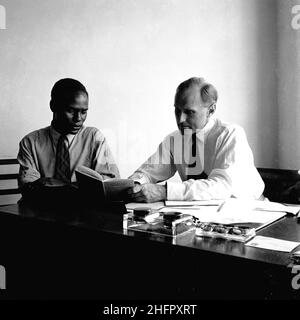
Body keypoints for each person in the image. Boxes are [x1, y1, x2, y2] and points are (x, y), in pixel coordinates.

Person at [128, 77, 264, 202]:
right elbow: (147, 172)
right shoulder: (174, 140)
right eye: (177, 111)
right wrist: (135, 184)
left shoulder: (231, 134)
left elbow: (222, 186)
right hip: (201, 216)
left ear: (211, 110)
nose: (181, 120)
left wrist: (165, 191)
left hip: (249, 212)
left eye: (189, 112)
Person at [18, 78, 120, 198]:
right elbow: (29, 188)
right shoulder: (30, 142)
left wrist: (52, 185)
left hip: (83, 211)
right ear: (53, 106)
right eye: (71, 110)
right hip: (40, 210)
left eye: (84, 112)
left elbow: (110, 184)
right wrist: (80, 188)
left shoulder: (94, 137)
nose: (78, 118)